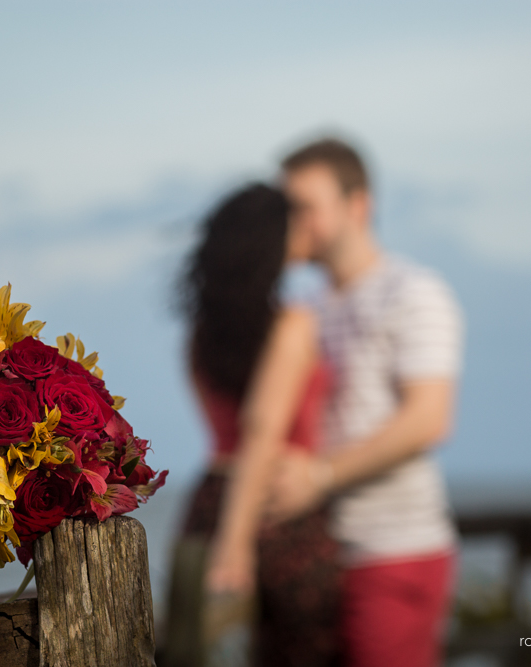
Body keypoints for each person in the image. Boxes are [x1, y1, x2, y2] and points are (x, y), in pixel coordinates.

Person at [268, 138, 464, 667]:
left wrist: (320, 477)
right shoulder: (304, 307)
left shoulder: (414, 292)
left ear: (359, 205)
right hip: (320, 555)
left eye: (305, 207)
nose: (292, 222)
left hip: (394, 550)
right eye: (285, 209)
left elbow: (429, 419)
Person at [165, 183, 340, 667]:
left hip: (209, 499)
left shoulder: (201, 334)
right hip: (276, 507)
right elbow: (261, 430)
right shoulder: (292, 324)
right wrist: (235, 544)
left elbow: (222, 425)